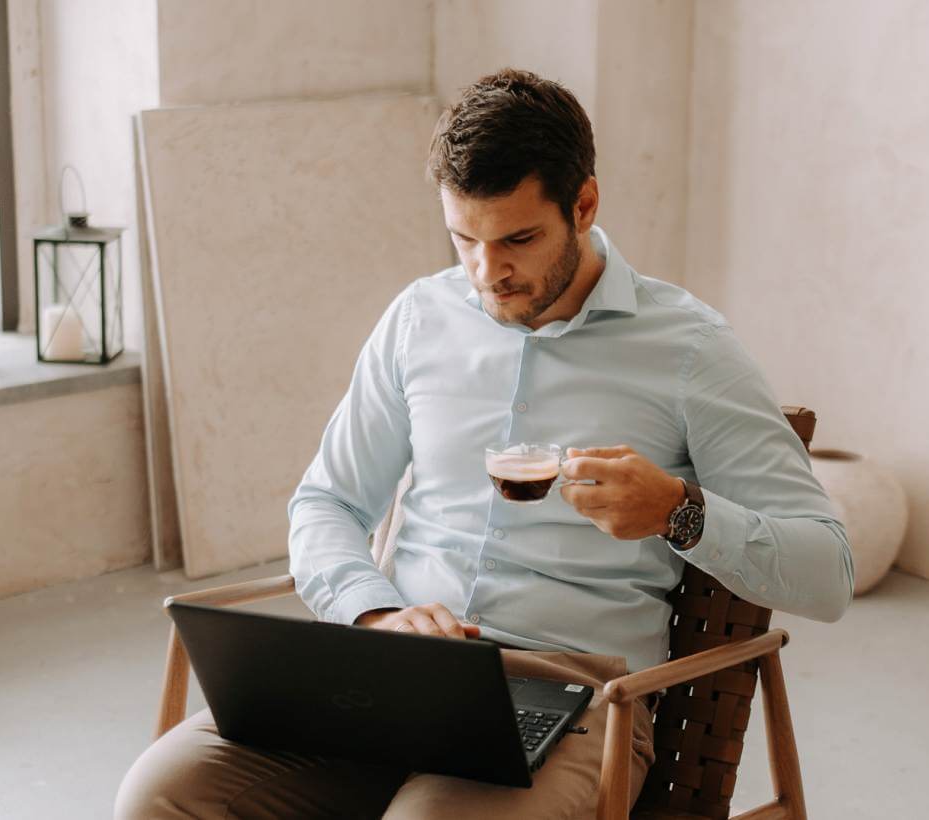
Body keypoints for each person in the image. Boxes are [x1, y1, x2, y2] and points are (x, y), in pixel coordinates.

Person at [117, 67, 853, 820]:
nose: (486, 272)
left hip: (574, 698)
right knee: (161, 794)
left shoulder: (690, 349)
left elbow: (828, 571)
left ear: (585, 204)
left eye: (519, 239)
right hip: (395, 677)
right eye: (463, 238)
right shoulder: (419, 318)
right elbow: (327, 503)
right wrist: (375, 615)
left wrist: (678, 510)